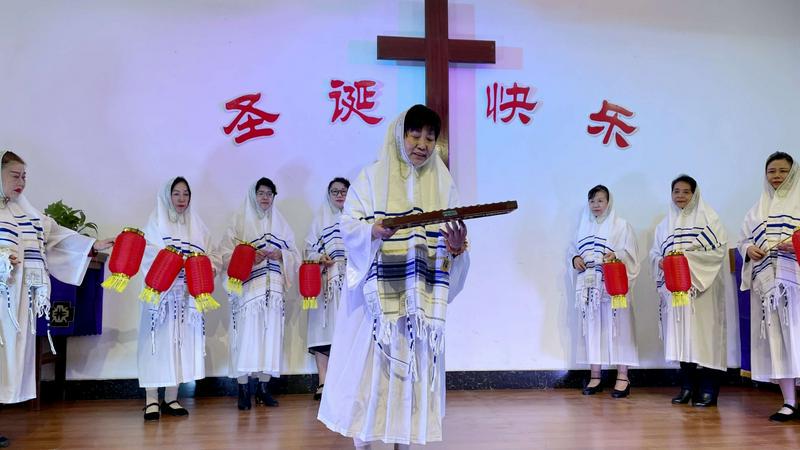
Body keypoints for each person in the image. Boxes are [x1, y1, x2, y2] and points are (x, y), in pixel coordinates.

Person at [317, 105, 470, 449]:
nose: (422, 144)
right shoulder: (371, 177)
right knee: (368, 379)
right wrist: (372, 231)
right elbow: (349, 226)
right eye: (415, 135)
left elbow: (455, 239)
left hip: (418, 306)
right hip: (375, 309)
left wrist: (457, 248)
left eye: (430, 138)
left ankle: (404, 443)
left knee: (410, 381)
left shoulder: (443, 182)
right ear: (400, 136)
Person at [0, 150, 113, 446]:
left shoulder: (30, 215)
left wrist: (92, 244)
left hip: (20, 303)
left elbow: (57, 238)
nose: (21, 182)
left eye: (24, 176)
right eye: (14, 175)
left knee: (7, 363)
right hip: (1, 299)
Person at [137, 177, 220, 421]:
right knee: (156, 345)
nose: (182, 199)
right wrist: (174, 264)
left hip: (185, 297)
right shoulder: (155, 223)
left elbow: (213, 255)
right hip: (161, 296)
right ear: (167, 196)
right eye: (176, 193)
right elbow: (147, 254)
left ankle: (172, 397)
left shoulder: (198, 226)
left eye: (186, 194)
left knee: (179, 344)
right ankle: (151, 400)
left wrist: (207, 268)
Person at [219, 178, 299, 410]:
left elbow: (295, 254)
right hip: (248, 292)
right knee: (246, 339)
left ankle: (264, 389)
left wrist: (282, 255)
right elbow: (224, 254)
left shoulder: (282, 224)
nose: (265, 198)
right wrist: (248, 257)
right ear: (253, 195)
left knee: (270, 338)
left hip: (273, 293)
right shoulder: (239, 221)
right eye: (261, 193)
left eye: (269, 194)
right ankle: (243, 389)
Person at [650, 175, 729, 407]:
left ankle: (709, 390)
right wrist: (661, 262)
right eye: (676, 191)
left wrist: (684, 262)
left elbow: (717, 251)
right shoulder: (664, 225)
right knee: (683, 339)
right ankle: (687, 387)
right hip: (677, 293)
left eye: (686, 191)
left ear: (695, 194)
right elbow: (655, 253)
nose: (681, 196)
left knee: (705, 339)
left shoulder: (709, 219)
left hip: (702, 290)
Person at [739, 151, 800, 421]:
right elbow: (744, 240)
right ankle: (789, 401)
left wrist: (796, 245)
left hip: (796, 285)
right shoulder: (757, 210)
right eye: (772, 171)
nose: (777, 176)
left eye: (783, 171)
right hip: (770, 289)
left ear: (793, 172)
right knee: (780, 343)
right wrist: (748, 249)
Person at [570, 185, 640, 398]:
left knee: (619, 328)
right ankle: (595, 376)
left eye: (600, 200)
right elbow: (573, 250)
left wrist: (616, 255)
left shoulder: (621, 225)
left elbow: (631, 253)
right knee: (592, 329)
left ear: (609, 202)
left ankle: (622, 377)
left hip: (612, 284)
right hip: (590, 287)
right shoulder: (583, 227)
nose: (596, 205)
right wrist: (575, 259)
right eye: (592, 201)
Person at [305, 177, 349, 401]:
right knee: (324, 334)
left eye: (343, 191)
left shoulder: (356, 219)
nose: (339, 195)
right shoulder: (319, 221)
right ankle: (323, 383)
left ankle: (346, 383)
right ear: (328, 194)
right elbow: (308, 250)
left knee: (348, 334)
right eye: (335, 191)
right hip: (326, 284)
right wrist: (320, 257)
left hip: (351, 284)